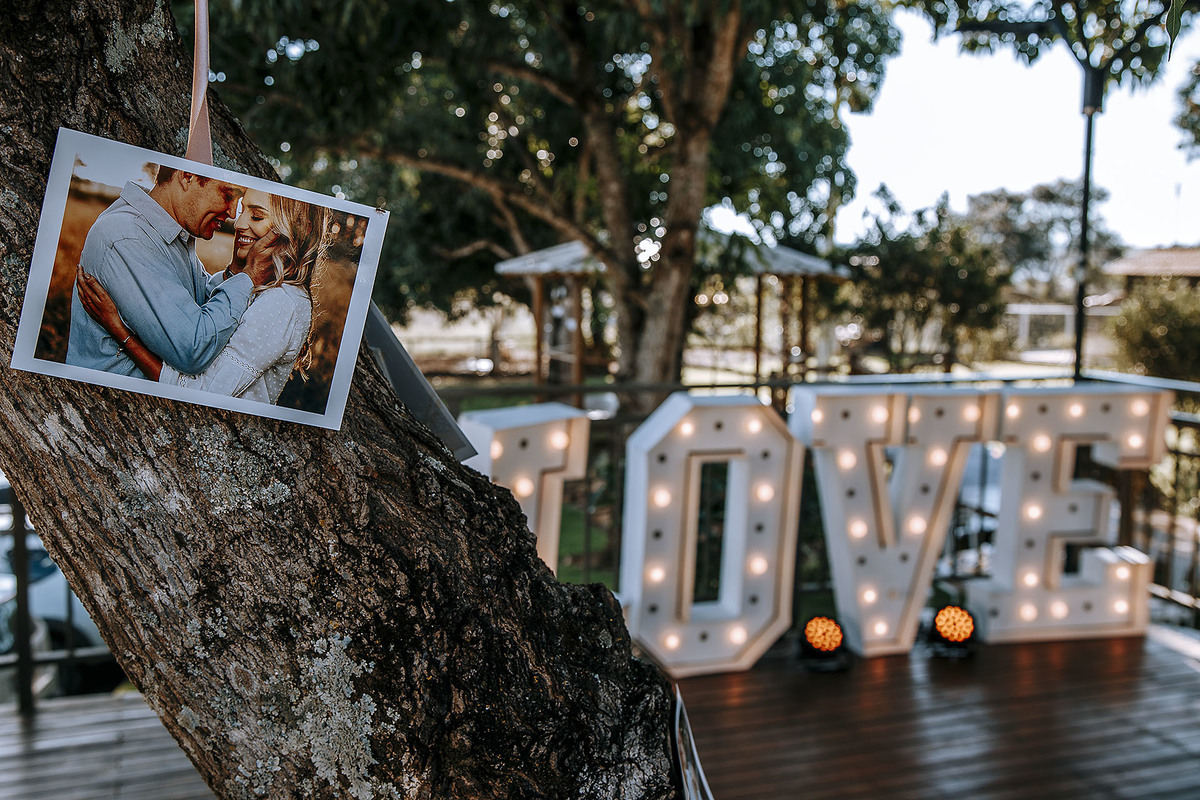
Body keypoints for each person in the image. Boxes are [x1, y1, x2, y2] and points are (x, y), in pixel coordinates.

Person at [76, 188, 329, 405]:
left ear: (299, 229)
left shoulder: (281, 303)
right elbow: (207, 313)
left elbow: (200, 394)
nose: (239, 223)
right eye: (242, 211)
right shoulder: (266, 287)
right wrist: (240, 272)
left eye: (257, 215)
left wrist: (119, 330)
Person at [65, 166, 275, 376]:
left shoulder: (168, 232)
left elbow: (197, 304)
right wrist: (249, 278)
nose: (232, 213)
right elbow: (192, 350)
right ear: (188, 176)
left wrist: (236, 270)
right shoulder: (129, 237)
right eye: (228, 195)